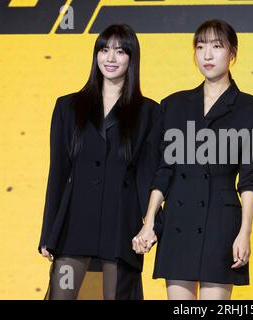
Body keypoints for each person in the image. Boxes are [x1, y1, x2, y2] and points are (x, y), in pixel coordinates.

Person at [132, 19, 253, 300]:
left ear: (232, 53)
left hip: (222, 222)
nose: (207, 55)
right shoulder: (172, 106)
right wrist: (149, 222)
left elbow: (250, 180)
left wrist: (244, 232)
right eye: (200, 46)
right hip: (178, 219)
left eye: (216, 46)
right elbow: (164, 170)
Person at [38, 24, 161, 300]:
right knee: (63, 294)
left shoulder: (148, 112)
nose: (111, 58)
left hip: (121, 231)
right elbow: (58, 173)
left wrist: (151, 225)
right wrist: (49, 233)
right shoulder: (67, 108)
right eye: (104, 50)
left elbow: (147, 175)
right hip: (73, 230)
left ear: (132, 58)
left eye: (120, 51)